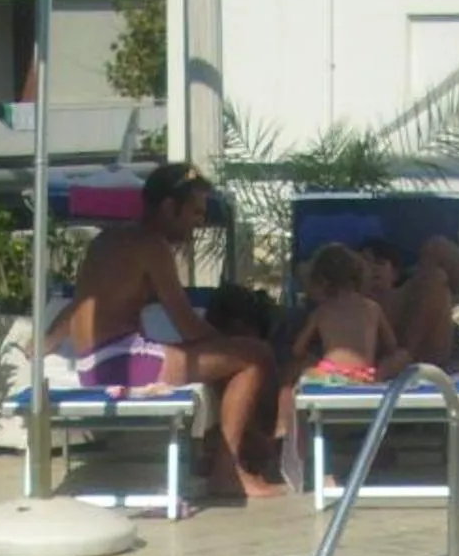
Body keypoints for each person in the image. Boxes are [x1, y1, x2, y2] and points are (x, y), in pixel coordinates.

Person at [47, 160, 286, 500]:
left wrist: (47, 342)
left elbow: (81, 306)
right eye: (195, 213)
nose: (198, 223)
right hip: (120, 361)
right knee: (253, 356)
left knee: (225, 357)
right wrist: (232, 345)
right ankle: (227, 472)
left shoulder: (107, 241)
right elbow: (186, 324)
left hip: (96, 362)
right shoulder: (150, 245)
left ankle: (224, 448)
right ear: (169, 207)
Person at [358, 233, 459, 371]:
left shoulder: (410, 294)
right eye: (364, 263)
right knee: (434, 278)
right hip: (384, 354)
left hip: (419, 349)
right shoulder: (348, 302)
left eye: (379, 262)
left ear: (395, 273)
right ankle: (404, 356)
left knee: (437, 254)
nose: (372, 269)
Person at [291, 242, 411, 384]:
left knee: (302, 367)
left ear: (321, 281)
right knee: (403, 356)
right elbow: (392, 346)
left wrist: (314, 359)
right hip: (363, 375)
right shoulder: (373, 307)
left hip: (329, 374)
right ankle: (378, 380)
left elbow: (298, 350)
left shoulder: (322, 311)